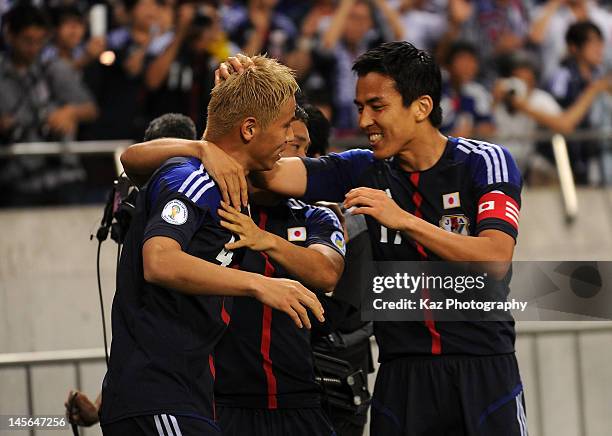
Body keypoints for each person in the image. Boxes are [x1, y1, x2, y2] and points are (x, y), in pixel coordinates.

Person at [180, 42, 527, 435]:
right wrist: (233, 110)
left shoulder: (485, 161)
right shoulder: (362, 167)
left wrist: (403, 220)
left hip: (483, 369)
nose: (364, 122)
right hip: (402, 375)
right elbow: (265, 171)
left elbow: (496, 258)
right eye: (360, 108)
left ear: (422, 107)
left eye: (377, 107)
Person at [99, 55, 324, 436]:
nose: (289, 139)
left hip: (186, 394)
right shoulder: (194, 179)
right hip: (158, 395)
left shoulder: (224, 183)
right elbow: (160, 261)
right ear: (250, 129)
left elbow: (133, 161)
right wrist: (261, 285)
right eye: (286, 126)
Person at [0, 2, 98, 206]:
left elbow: (91, 109)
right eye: (27, 40)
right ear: (10, 35)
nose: (33, 48)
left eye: (39, 41)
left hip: (64, 177)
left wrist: (71, 112)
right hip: (17, 181)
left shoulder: (54, 68)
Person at [547, 21, 611, 184]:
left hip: (596, 158)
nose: (599, 48)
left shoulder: (601, 73)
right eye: (592, 42)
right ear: (574, 47)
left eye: (600, 41)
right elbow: (563, 121)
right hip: (564, 161)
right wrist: (594, 90)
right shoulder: (562, 76)